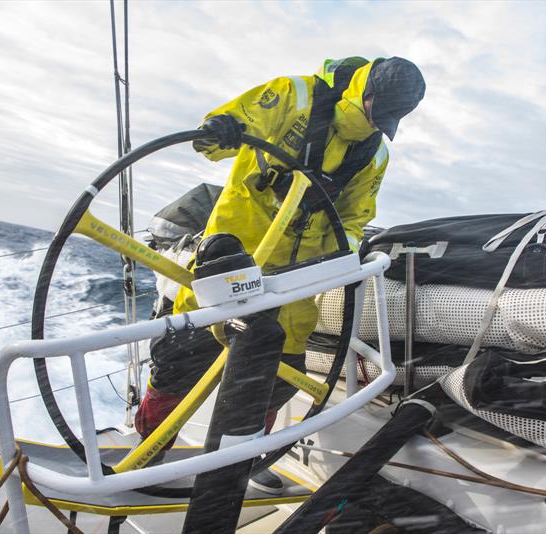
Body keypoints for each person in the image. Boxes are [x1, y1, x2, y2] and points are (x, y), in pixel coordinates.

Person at [135, 57, 426, 492]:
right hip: (232, 258)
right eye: (377, 111)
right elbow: (213, 140)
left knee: (280, 376)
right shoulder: (295, 96)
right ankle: (149, 450)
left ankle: (244, 461)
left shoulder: (375, 153)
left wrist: (339, 261)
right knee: (181, 358)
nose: (378, 124)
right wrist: (221, 128)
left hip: (294, 280)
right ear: (366, 91)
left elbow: (354, 218)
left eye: (388, 120)